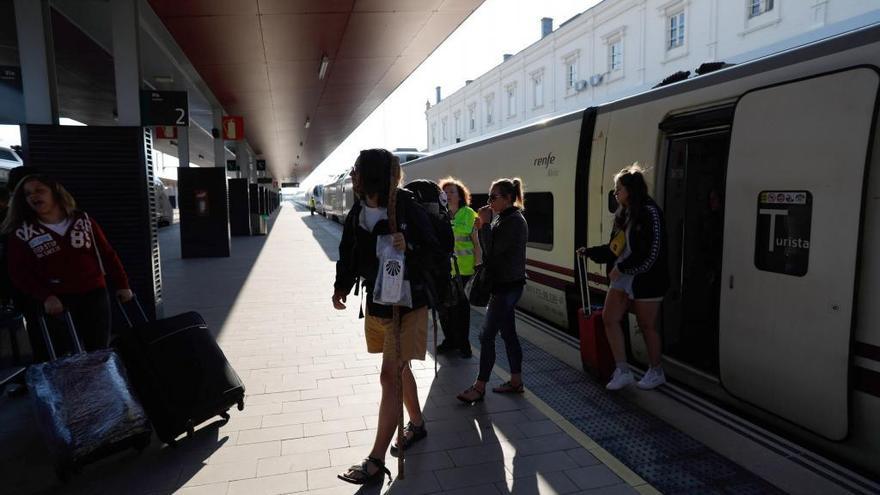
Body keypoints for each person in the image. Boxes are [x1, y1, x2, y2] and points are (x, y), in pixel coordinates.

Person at [333, 149, 442, 484]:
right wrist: (342, 285)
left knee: (388, 376)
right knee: (398, 370)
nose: (352, 176)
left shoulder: (405, 205)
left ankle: (376, 459)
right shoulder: (359, 209)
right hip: (379, 303)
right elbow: (348, 251)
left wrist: (409, 244)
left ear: (373, 174)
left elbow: (436, 251)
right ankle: (418, 425)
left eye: (357, 170)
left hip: (408, 305)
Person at [3, 174, 133, 360]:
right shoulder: (22, 232)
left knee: (98, 351)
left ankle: (99, 386)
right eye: (28, 194)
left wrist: (123, 284)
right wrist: (45, 296)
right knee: (62, 355)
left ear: (55, 192)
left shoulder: (84, 221)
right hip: (56, 302)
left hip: (93, 294)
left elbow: (107, 254)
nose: (34, 196)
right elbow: (18, 272)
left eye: (40, 190)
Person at [578, 164, 669, 391]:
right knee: (609, 318)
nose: (615, 192)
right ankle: (623, 370)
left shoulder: (650, 213)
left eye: (618, 188)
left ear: (631, 189)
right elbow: (614, 248)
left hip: (647, 278)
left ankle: (656, 370)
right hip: (623, 277)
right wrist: (590, 252)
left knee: (646, 325)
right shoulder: (624, 214)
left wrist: (625, 268)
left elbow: (653, 251)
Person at [457, 178, 528, 402]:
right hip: (505, 285)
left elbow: (491, 253)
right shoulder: (504, 219)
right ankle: (516, 381)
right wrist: (485, 226)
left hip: (507, 287)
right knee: (507, 334)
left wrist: (485, 225)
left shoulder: (513, 221)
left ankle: (479, 387)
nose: (489, 202)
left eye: (493, 197)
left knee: (486, 335)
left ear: (508, 198)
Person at [436, 177, 481, 358]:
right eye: (445, 192)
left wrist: (479, 265)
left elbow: (476, 243)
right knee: (444, 308)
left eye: (452, 191)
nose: (448, 194)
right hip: (444, 270)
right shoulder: (440, 214)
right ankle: (450, 341)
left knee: (461, 309)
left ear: (460, 196)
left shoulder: (469, 214)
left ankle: (464, 344)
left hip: (464, 271)